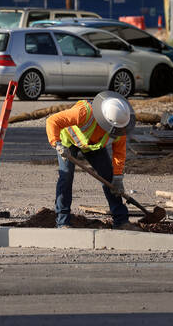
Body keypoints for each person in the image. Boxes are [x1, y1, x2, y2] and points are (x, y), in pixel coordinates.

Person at [45, 92, 137, 229]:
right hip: (68, 142)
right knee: (66, 176)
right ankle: (62, 221)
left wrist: (118, 177)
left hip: (93, 145)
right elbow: (52, 121)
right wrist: (57, 144)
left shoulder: (120, 127)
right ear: (105, 120)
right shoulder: (83, 113)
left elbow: (119, 153)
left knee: (109, 177)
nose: (115, 132)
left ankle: (121, 221)